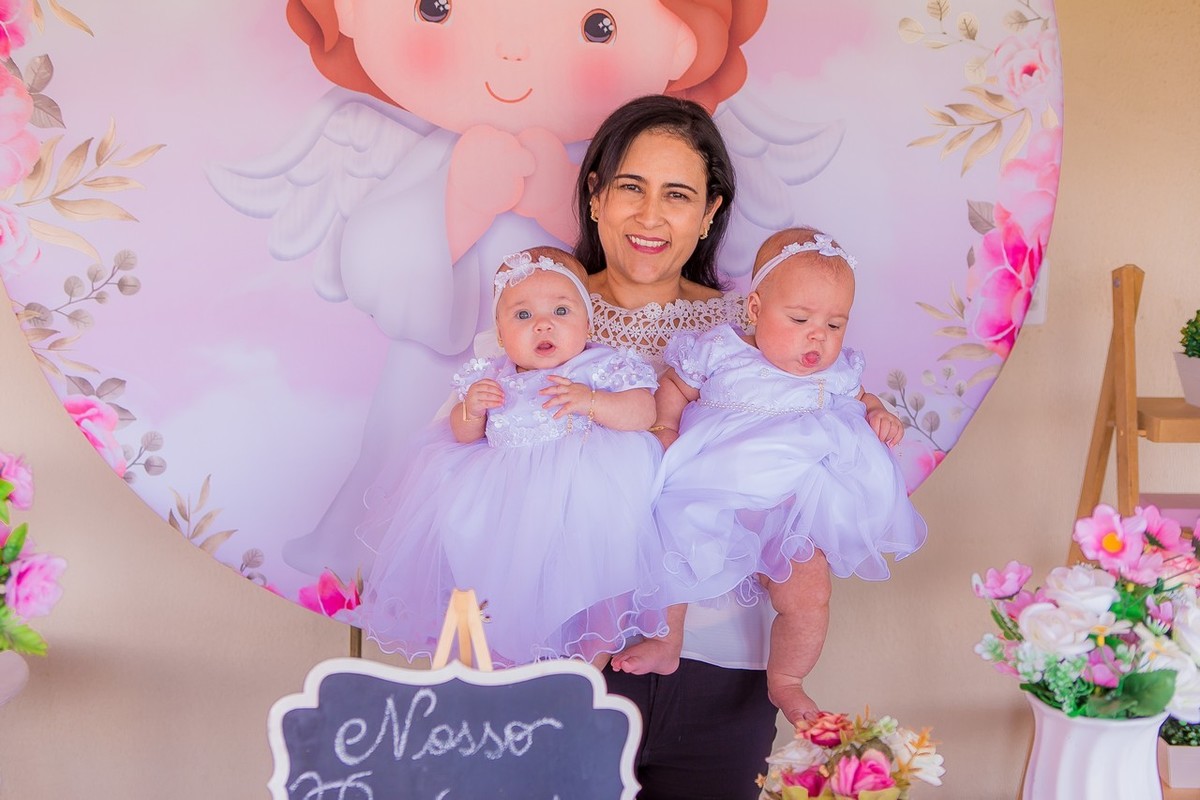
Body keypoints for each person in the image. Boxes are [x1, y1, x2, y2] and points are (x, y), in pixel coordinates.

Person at [612, 226, 928, 727]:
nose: (817, 335)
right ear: (756, 309)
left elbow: (862, 396)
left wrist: (878, 412)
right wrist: (664, 426)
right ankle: (667, 642)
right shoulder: (722, 351)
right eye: (800, 319)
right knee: (675, 546)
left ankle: (787, 678)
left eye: (835, 324)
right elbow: (675, 385)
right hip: (715, 488)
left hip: (792, 513)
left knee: (809, 594)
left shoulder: (836, 372)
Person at [573, 94, 779, 800]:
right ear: (596, 195)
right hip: (566, 653)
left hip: (723, 667)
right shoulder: (536, 313)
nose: (651, 216)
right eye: (630, 187)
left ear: (711, 211)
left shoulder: (754, 331)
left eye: (678, 194)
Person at [358, 246, 668, 667]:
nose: (543, 324)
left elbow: (643, 413)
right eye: (523, 315)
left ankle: (589, 662)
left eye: (561, 311)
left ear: (587, 322)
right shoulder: (493, 376)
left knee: (594, 576)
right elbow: (463, 434)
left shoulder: (600, 366)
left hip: (582, 494)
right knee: (500, 579)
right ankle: (507, 662)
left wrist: (593, 401)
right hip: (510, 505)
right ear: (502, 335)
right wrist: (472, 409)